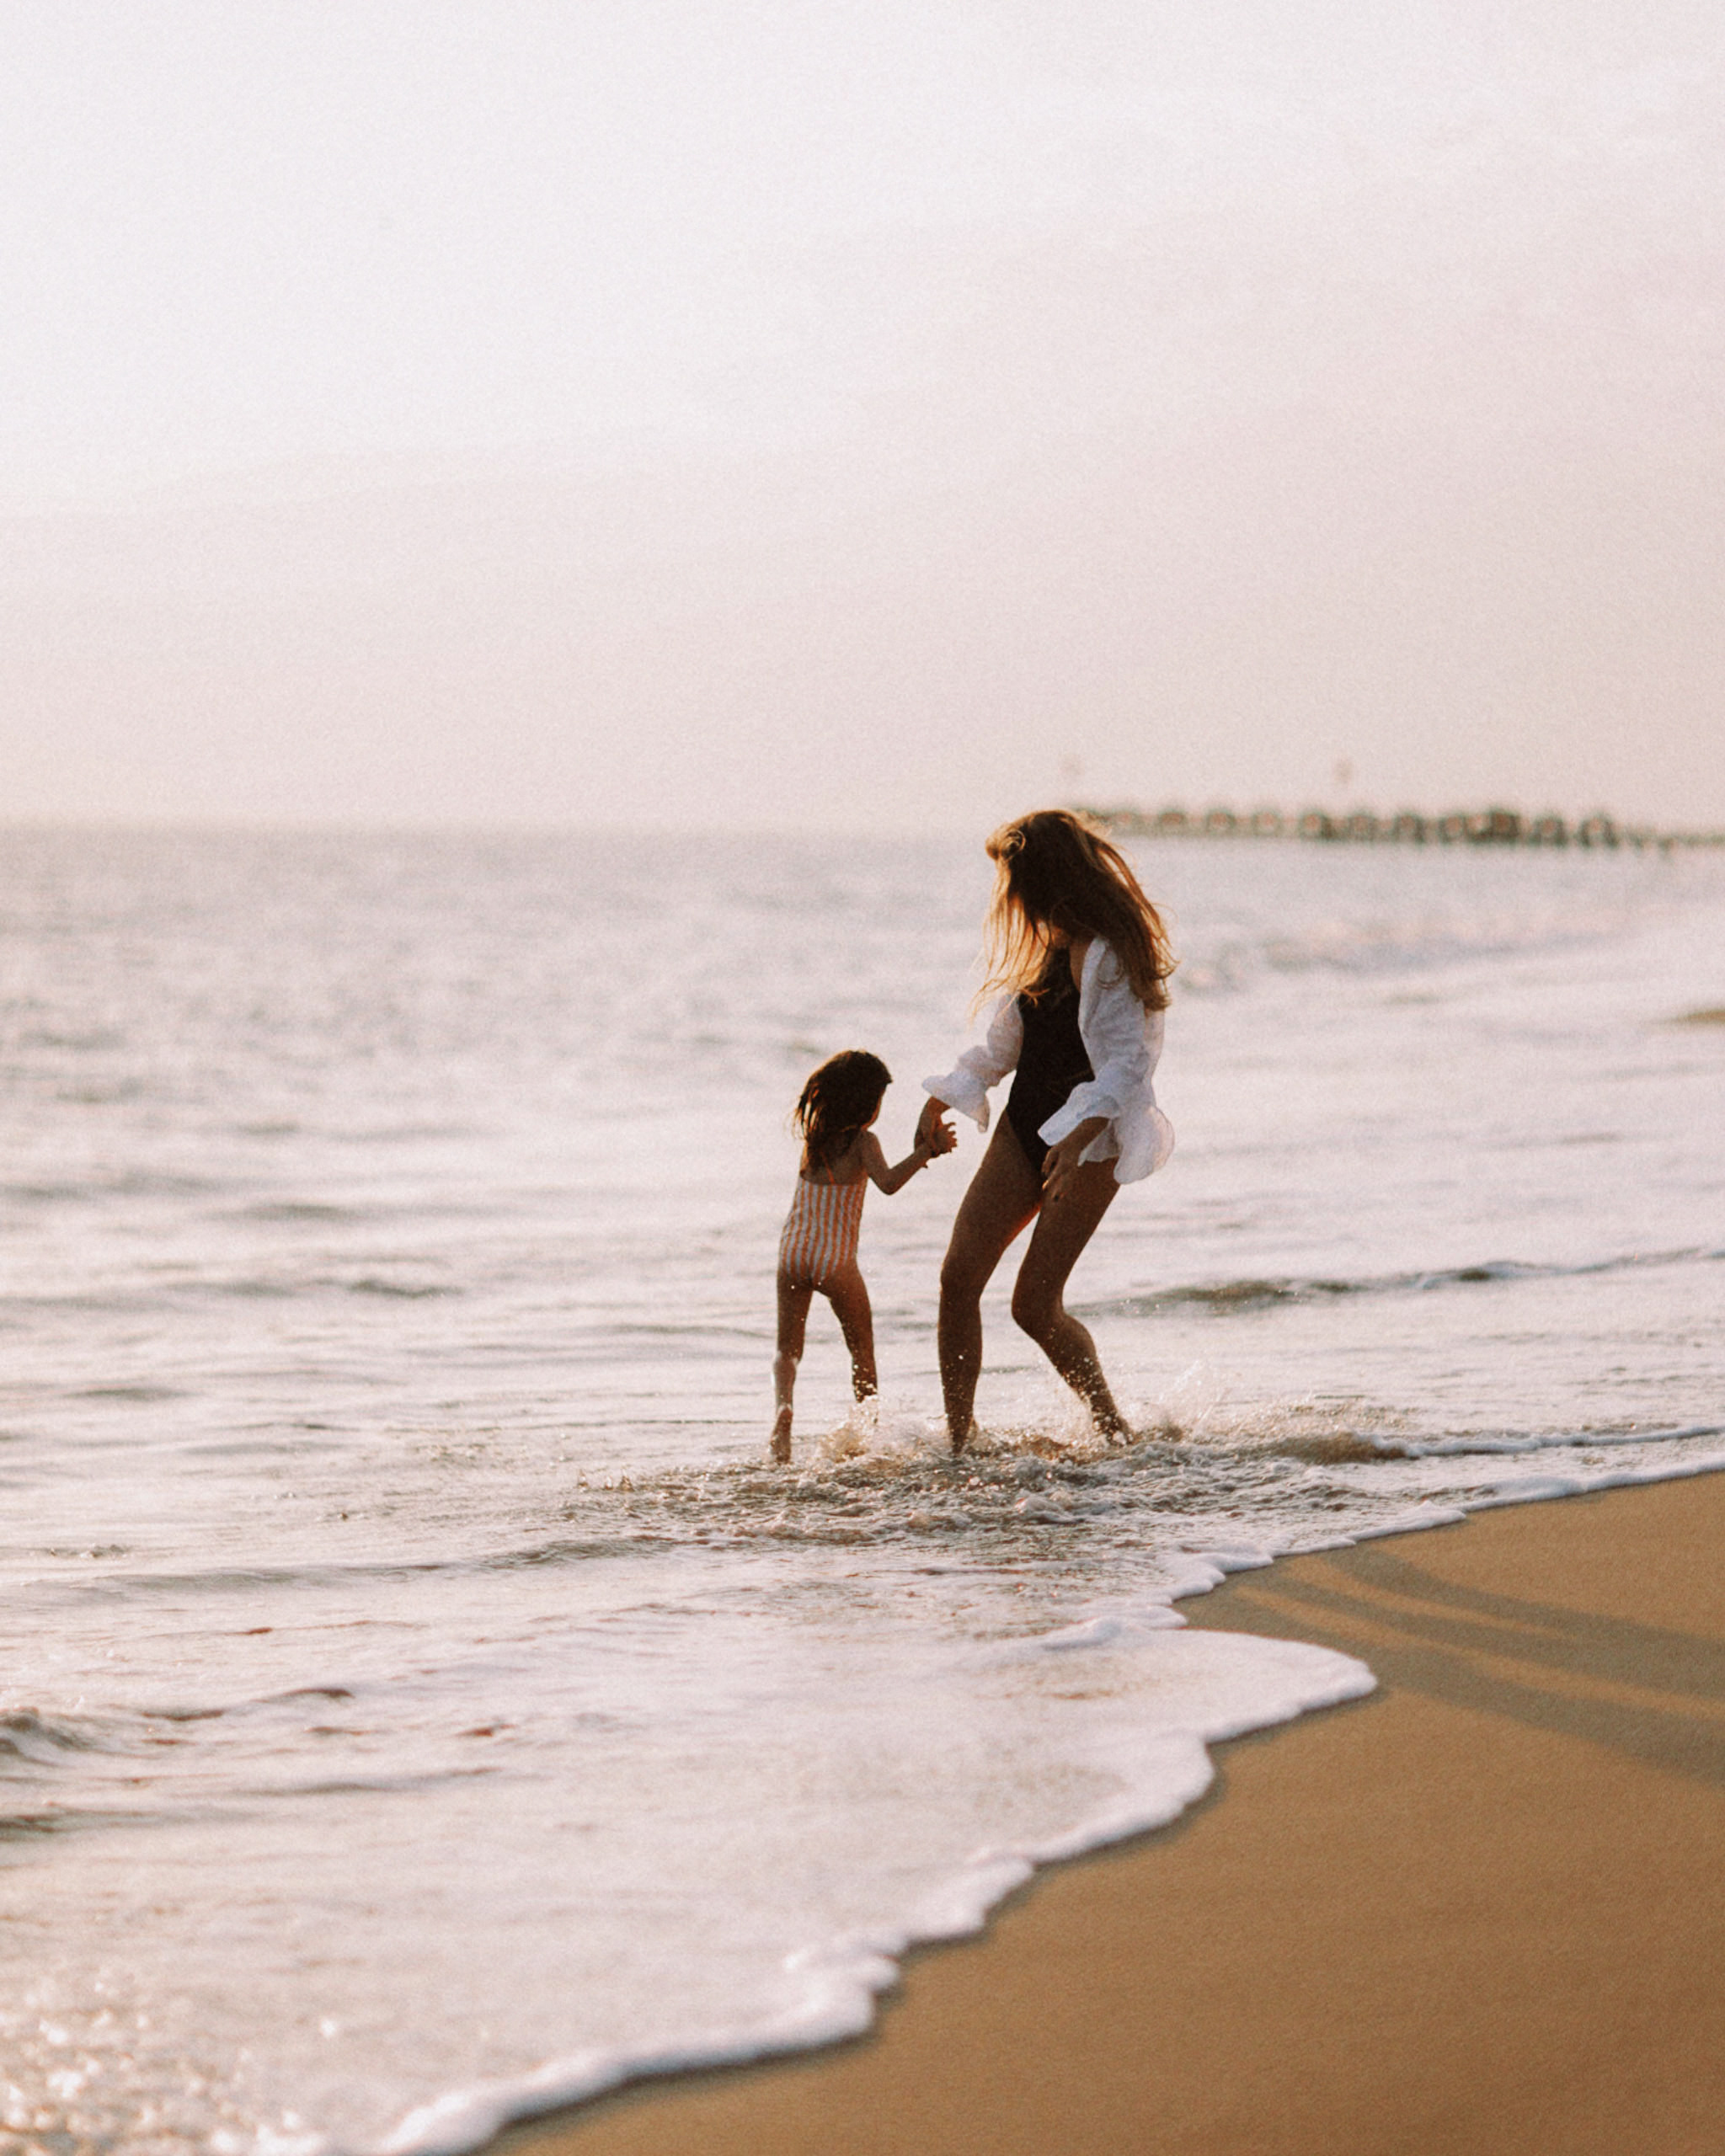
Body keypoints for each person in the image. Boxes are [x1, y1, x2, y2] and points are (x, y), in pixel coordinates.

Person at [916, 809, 1175, 1453]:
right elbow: (1003, 1048)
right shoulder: (1048, 950)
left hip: (1090, 1141)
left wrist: (1076, 1138)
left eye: (1012, 879)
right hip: (1024, 1128)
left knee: (1033, 1306)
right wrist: (949, 1095)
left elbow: (1125, 1067)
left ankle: (1115, 1432)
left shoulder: (1110, 954)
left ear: (1043, 878)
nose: (1007, 896)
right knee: (957, 1279)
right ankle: (959, 1444)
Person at [773, 1049, 953, 1463]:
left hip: (793, 1252)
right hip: (834, 1260)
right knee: (862, 1351)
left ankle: (783, 1413)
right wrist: (927, 1152)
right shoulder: (864, 1142)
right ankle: (866, 1437)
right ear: (867, 1104)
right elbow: (888, 1183)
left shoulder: (813, 1138)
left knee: (787, 1350)